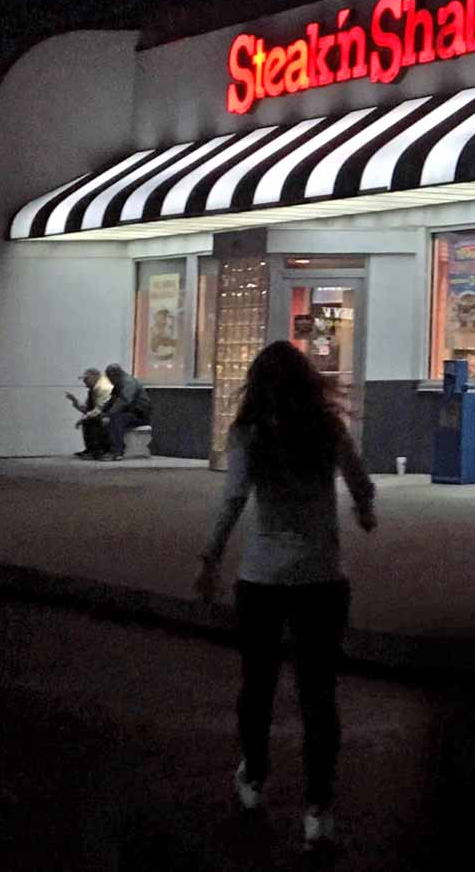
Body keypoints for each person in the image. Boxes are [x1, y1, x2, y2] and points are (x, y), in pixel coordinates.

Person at [194, 341, 375, 854]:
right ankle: (318, 810)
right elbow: (360, 480)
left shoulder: (247, 435)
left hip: (262, 580)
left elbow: (232, 500)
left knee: (257, 685)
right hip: (322, 579)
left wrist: (209, 561)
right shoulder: (327, 430)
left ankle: (253, 776)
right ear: (307, 382)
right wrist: (364, 511)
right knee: (319, 697)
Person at [99, 362, 152, 460]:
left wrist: (109, 414)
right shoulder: (119, 384)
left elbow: (125, 400)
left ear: (115, 375)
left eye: (109, 378)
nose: (109, 380)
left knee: (115, 419)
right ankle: (99, 449)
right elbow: (112, 401)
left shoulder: (129, 382)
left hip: (139, 415)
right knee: (100, 418)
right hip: (127, 412)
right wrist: (102, 412)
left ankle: (117, 451)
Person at [66, 367, 111, 459]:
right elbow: (87, 409)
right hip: (104, 413)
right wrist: (75, 401)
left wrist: (85, 417)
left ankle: (97, 451)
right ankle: (91, 449)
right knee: (88, 419)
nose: (84, 382)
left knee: (92, 420)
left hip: (111, 414)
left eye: (86, 379)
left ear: (94, 377)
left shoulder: (103, 388)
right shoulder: (93, 389)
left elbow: (100, 409)